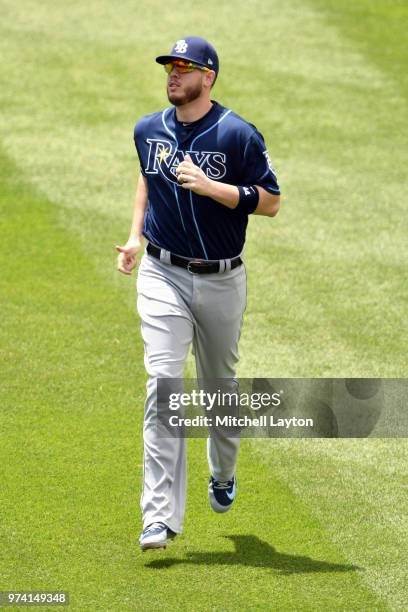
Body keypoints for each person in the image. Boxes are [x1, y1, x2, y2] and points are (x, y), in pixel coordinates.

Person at [116, 36, 281, 551]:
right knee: (162, 387)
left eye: (184, 67)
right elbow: (149, 177)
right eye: (169, 65)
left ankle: (222, 471)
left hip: (222, 279)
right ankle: (158, 516)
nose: (173, 74)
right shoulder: (149, 129)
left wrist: (213, 188)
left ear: (207, 77)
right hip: (162, 273)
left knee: (218, 390)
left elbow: (271, 201)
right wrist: (134, 236)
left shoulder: (237, 134)